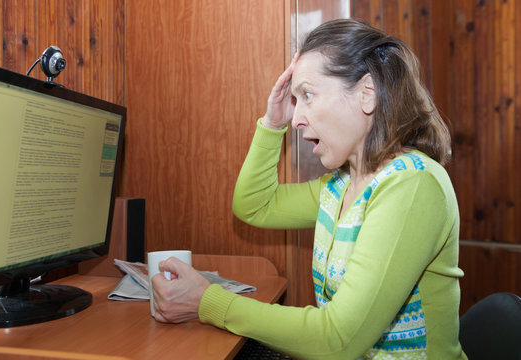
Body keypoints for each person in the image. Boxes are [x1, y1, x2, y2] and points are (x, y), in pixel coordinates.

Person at [152, 19, 467, 359]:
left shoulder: (412, 185)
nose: (297, 118)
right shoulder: (342, 185)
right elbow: (255, 206)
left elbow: (338, 340)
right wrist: (273, 123)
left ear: (366, 94)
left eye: (308, 95)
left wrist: (207, 301)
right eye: (294, 100)